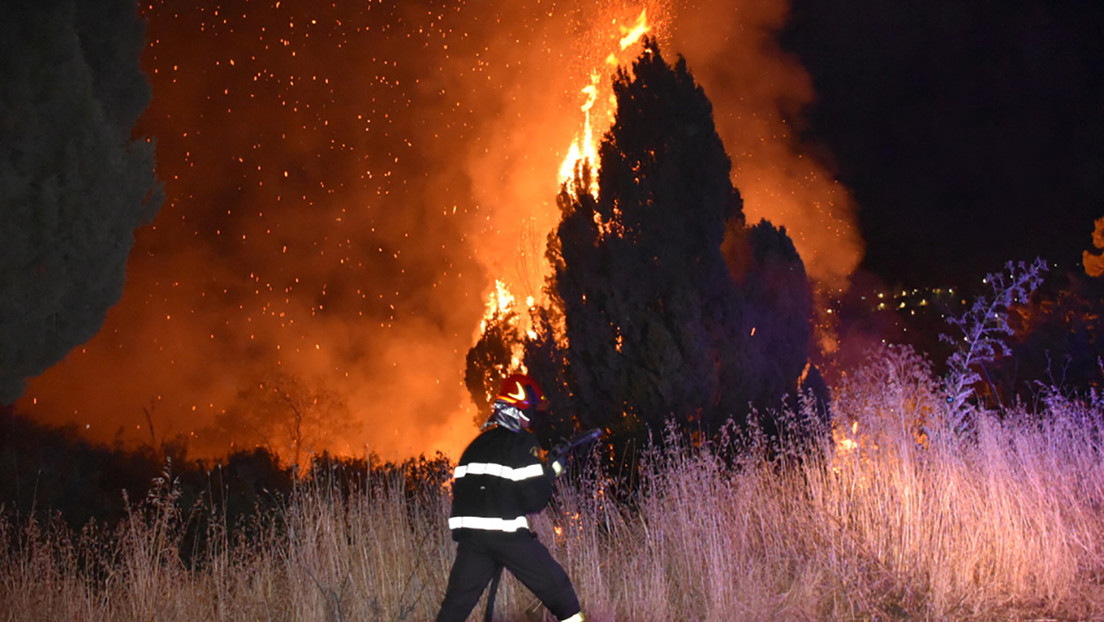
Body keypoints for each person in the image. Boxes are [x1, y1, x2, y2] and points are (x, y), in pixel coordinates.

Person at [434, 373, 584, 622]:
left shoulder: (476, 445)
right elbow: (534, 500)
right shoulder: (523, 443)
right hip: (508, 538)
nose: (531, 421)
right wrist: (552, 471)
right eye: (530, 413)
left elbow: (477, 491)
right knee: (560, 592)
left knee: (454, 608)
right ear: (517, 412)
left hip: (472, 541)